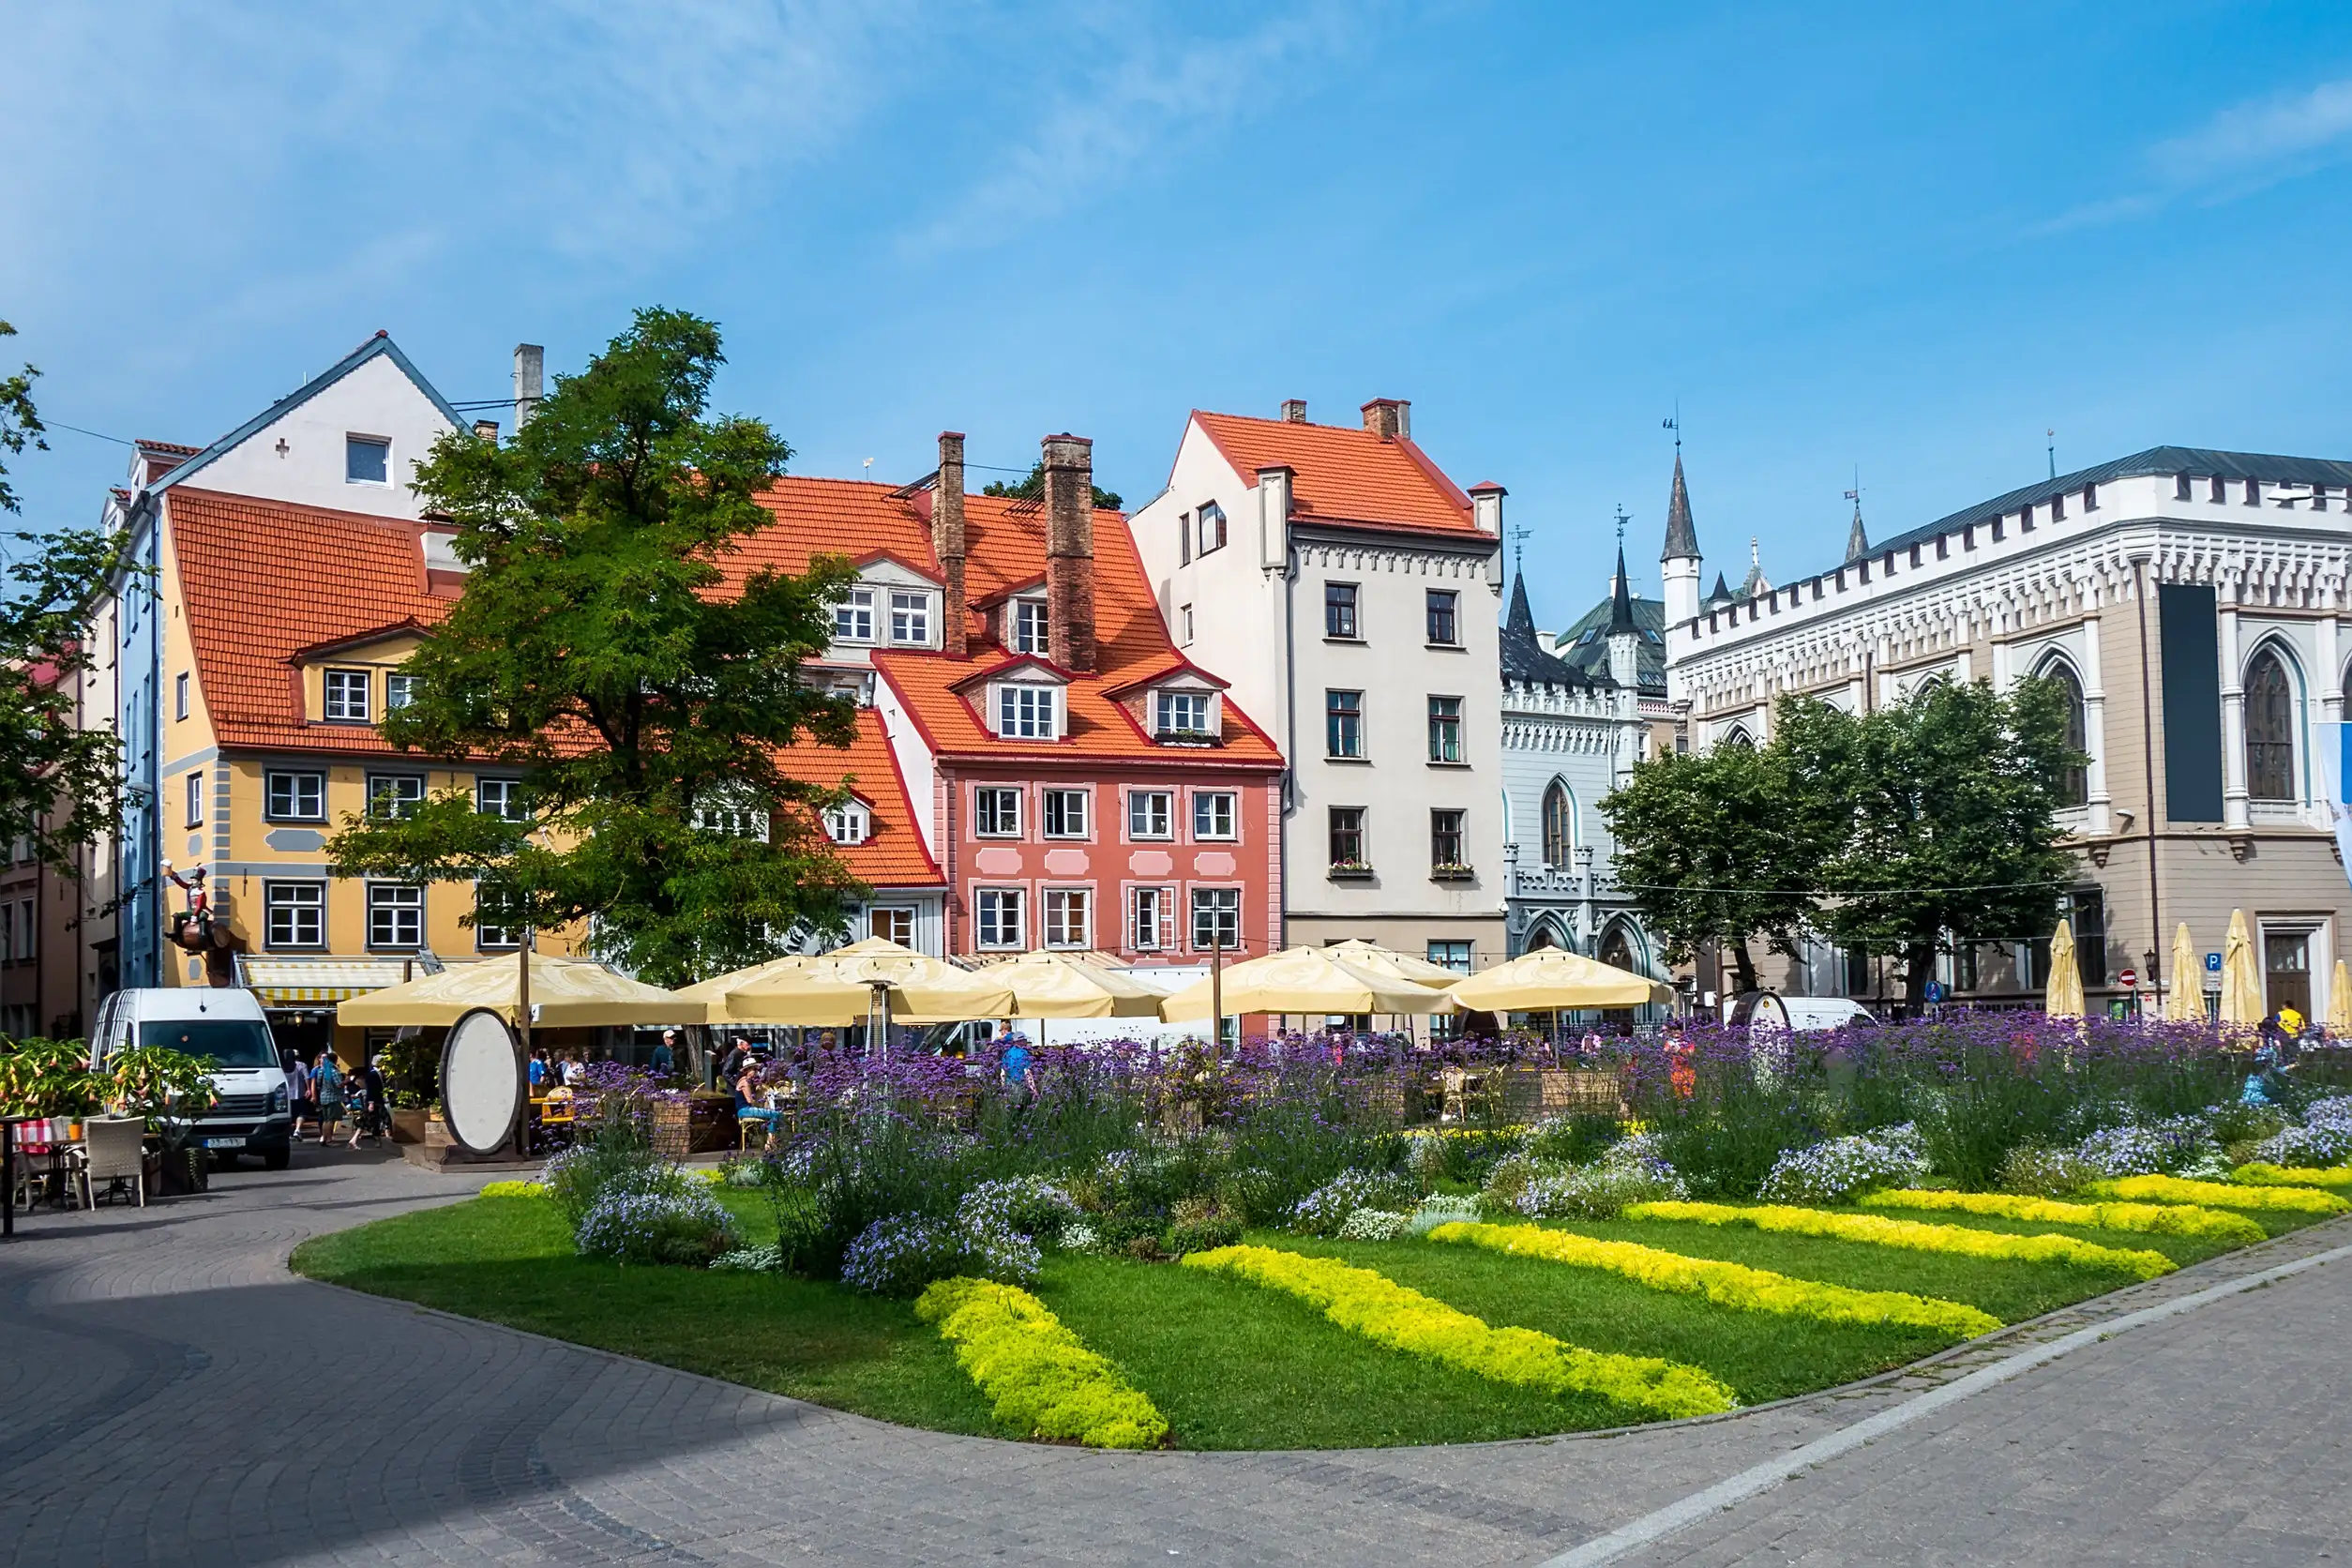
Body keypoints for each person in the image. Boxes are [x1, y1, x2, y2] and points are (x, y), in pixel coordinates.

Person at [347, 1057, 386, 1149]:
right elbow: (371, 1090)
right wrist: (371, 1103)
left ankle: (355, 1139)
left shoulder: (377, 1073)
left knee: (371, 1120)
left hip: (378, 1101)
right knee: (368, 1120)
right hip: (373, 1101)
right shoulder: (372, 1075)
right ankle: (355, 1139)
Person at [312, 1050, 344, 1143]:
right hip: (333, 1097)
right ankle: (329, 1139)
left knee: (325, 1120)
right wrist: (346, 1081)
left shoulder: (322, 1070)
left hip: (323, 1097)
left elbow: (318, 1084)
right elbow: (338, 1085)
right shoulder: (333, 1071)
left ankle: (324, 1137)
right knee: (331, 1120)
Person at [284, 1050, 312, 1139]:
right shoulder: (302, 1065)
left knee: (288, 1114)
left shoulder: (281, 1066)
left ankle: (289, 1132)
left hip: (286, 1095)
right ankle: (297, 1130)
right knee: (302, 1113)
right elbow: (307, 1077)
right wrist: (308, 1089)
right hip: (299, 1093)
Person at [1001, 1034, 1033, 1101]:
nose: (1026, 1042)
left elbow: (1003, 1073)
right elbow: (1027, 1071)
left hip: (1009, 1085)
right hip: (1020, 1084)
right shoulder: (1024, 1053)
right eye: (1025, 1040)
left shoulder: (1007, 1054)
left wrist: (1004, 1088)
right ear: (1020, 1041)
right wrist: (1034, 1089)